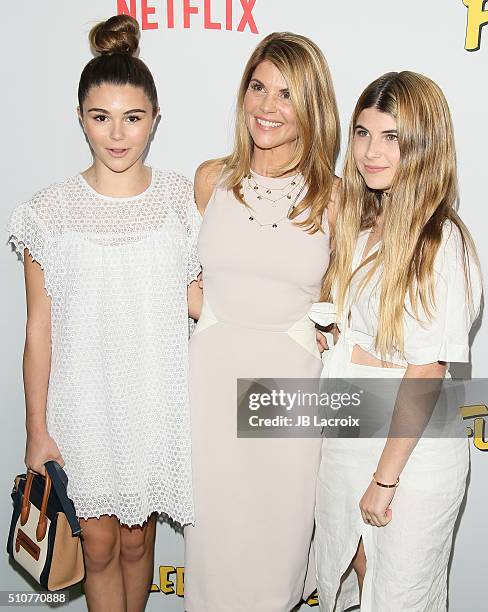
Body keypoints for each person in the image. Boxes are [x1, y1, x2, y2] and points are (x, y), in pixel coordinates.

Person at [7, 15, 202, 612]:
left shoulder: (180, 202)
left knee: (140, 539)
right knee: (95, 543)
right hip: (81, 405)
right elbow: (37, 328)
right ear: (81, 120)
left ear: (154, 121)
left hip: (154, 399)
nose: (117, 135)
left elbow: (200, 300)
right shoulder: (49, 211)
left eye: (133, 118)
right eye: (101, 117)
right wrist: (36, 428)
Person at [310, 71, 482, 612]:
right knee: (357, 573)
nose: (371, 151)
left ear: (425, 145)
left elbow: (427, 368)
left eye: (392, 138)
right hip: (351, 422)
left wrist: (385, 481)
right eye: (363, 133)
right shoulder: (363, 223)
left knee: (400, 596)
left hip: (412, 448)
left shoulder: (440, 240)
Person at [183, 32, 340, 612]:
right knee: (213, 559)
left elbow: (345, 302)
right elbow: (191, 284)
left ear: (311, 108)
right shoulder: (210, 180)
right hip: (211, 393)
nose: (267, 107)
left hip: (290, 398)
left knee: (278, 557)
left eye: (286, 94)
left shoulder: (336, 198)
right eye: (258, 87)